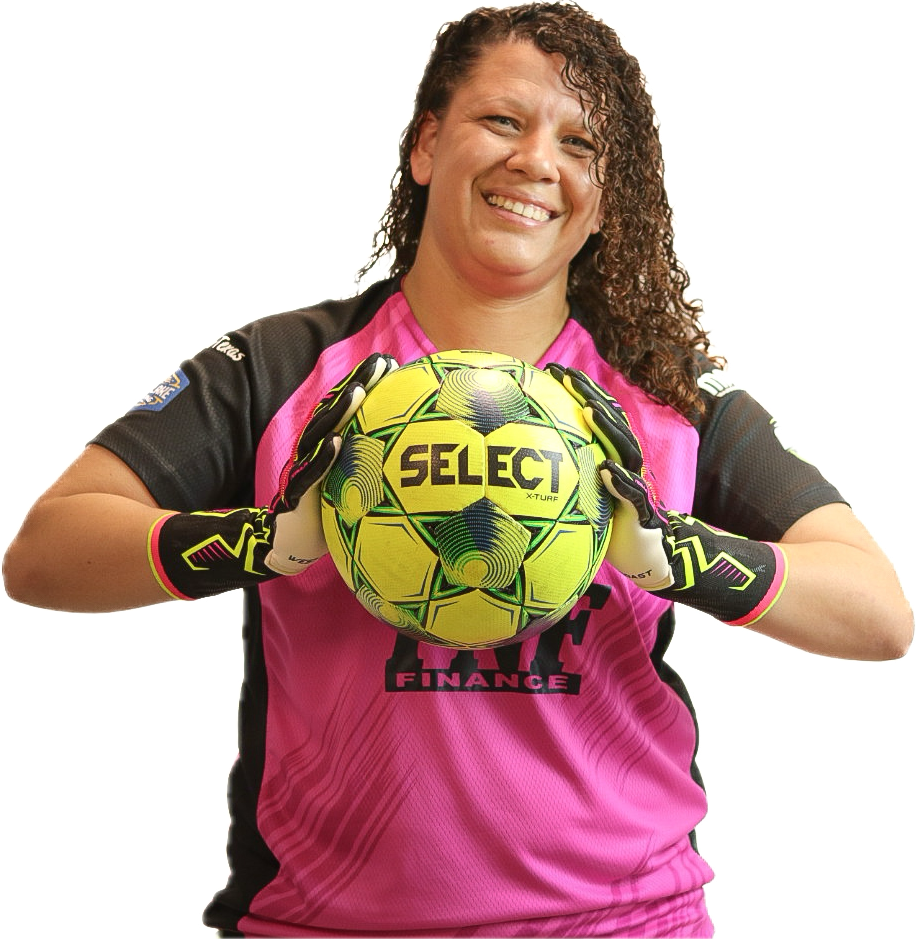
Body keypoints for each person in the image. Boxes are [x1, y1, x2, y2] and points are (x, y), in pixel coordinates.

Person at [2, 2, 912, 936]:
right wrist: (263, 541)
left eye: (581, 144)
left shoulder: (669, 399)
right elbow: (42, 552)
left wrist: (678, 557)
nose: (537, 162)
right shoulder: (279, 369)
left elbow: (881, 612)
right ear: (427, 144)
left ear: (608, 198)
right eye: (503, 120)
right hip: (319, 926)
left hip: (625, 922)